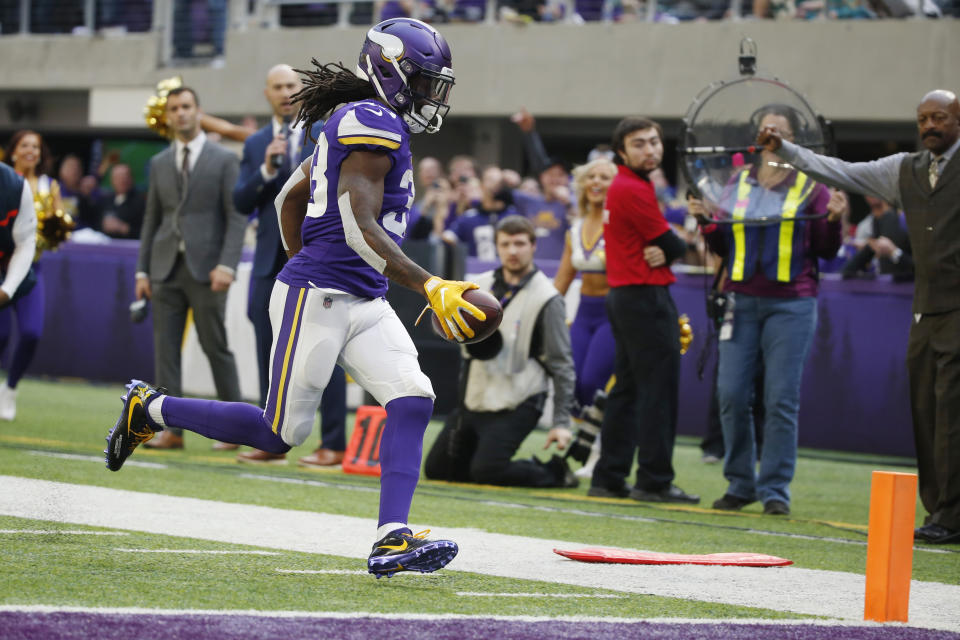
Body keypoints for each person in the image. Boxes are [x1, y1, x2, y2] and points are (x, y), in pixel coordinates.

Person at [106, 18, 474, 576]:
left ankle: (391, 536)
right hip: (323, 294)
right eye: (421, 81)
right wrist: (421, 282)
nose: (429, 94)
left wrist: (313, 258)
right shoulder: (372, 121)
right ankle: (151, 408)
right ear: (391, 72)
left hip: (362, 296)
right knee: (281, 434)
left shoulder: (364, 119)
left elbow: (289, 197)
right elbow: (355, 220)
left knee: (413, 397)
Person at [756, 89, 960, 543]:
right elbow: (840, 171)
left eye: (940, 118)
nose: (930, 125)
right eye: (923, 118)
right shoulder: (904, 170)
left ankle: (950, 516)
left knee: (952, 412)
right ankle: (940, 512)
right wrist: (785, 150)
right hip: (926, 309)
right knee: (927, 408)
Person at [690, 106, 843, 516]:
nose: (770, 133)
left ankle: (775, 489)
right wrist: (706, 223)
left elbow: (827, 249)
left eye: (781, 129)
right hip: (741, 300)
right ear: (756, 136)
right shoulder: (738, 181)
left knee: (780, 399)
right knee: (731, 394)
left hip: (792, 303)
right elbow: (724, 244)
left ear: (794, 138)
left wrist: (835, 220)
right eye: (765, 128)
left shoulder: (812, 184)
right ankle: (741, 483)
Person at [232, 63, 347, 466]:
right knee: (270, 351)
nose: (285, 92)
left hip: (314, 260)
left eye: (291, 85)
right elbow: (240, 202)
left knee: (324, 350)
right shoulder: (257, 143)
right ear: (267, 94)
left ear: (303, 90)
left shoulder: (326, 135)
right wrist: (265, 169)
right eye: (277, 86)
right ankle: (270, 439)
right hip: (268, 263)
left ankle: (333, 443)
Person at [587, 117, 699, 504]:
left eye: (654, 142)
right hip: (644, 297)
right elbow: (675, 244)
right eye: (639, 144)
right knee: (657, 392)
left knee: (630, 390)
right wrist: (672, 245)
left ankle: (609, 475)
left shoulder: (629, 185)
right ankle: (654, 480)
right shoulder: (633, 187)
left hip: (627, 297)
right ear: (622, 151)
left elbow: (665, 244)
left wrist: (666, 246)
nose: (650, 149)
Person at [424, 215, 577, 488]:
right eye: (505, 244)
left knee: (488, 471)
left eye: (520, 243)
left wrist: (561, 421)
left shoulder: (547, 297)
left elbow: (561, 363)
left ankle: (556, 472)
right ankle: (481, 460)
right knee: (438, 468)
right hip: (476, 395)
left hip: (519, 399)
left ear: (533, 246)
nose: (513, 251)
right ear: (497, 246)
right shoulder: (475, 287)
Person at [133, 86, 246, 450]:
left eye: (186, 107)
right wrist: (141, 271)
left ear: (199, 111)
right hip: (164, 268)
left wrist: (227, 264)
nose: (180, 113)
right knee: (165, 350)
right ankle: (171, 430)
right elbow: (151, 220)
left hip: (209, 269)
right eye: (174, 109)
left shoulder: (224, 160)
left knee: (216, 347)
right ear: (167, 117)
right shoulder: (159, 162)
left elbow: (236, 217)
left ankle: (233, 429)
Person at [552, 157, 617, 479]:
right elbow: (562, 281)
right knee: (575, 384)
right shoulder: (575, 229)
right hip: (585, 314)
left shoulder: (620, 222)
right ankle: (592, 449)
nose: (596, 182)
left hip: (613, 314)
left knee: (593, 382)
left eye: (605, 177)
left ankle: (599, 453)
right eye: (592, 176)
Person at [0, 130, 56, 421]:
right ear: (13, 151)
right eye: (25, 145)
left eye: (36, 145)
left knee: (32, 331)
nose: (31, 151)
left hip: (31, 266)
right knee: (1, 335)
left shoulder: (48, 186)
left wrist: (55, 231)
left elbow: (56, 232)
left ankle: (9, 389)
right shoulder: (7, 180)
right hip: (2, 263)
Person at [841, 195, 913, 282]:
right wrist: (868, 247)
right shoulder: (876, 222)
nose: (871, 196)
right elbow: (846, 272)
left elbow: (922, 269)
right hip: (887, 287)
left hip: (909, 288)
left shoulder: (904, 220)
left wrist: (894, 252)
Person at [98, 163, 146, 240]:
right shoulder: (105, 201)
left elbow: (146, 232)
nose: (122, 180)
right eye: (118, 177)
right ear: (112, 180)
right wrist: (103, 225)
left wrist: (124, 228)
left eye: (125, 177)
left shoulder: (140, 202)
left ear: (131, 179)